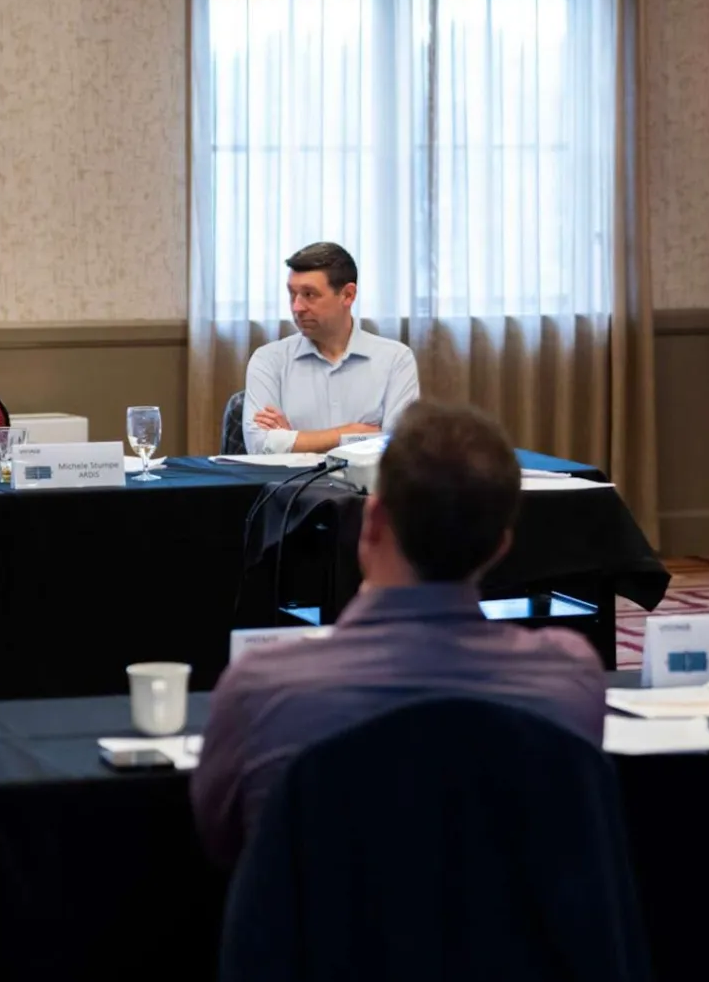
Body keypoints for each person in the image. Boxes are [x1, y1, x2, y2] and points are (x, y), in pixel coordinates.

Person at [193, 401, 603, 865]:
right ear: (502, 547)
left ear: (371, 524)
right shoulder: (569, 681)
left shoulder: (263, 689)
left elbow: (219, 840)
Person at [241, 241, 420, 455]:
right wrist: (354, 433)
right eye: (292, 294)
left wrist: (293, 440)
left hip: (364, 489)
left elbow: (399, 450)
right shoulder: (269, 360)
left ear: (348, 295)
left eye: (309, 295)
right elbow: (260, 447)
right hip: (293, 488)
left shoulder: (395, 359)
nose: (297, 307)